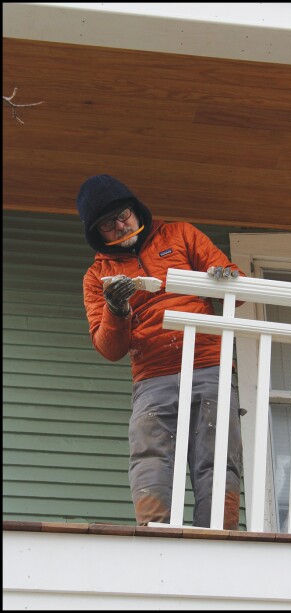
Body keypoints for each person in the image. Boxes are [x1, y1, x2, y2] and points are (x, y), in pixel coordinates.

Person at [77, 174, 246, 529]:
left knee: (216, 457)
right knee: (150, 458)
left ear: (135, 209)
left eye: (122, 214)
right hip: (152, 377)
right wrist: (116, 308)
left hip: (209, 362)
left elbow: (238, 287)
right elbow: (109, 349)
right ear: (98, 233)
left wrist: (222, 278)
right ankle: (157, 539)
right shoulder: (98, 276)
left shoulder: (181, 234)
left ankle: (218, 537)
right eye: (108, 224)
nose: (120, 225)